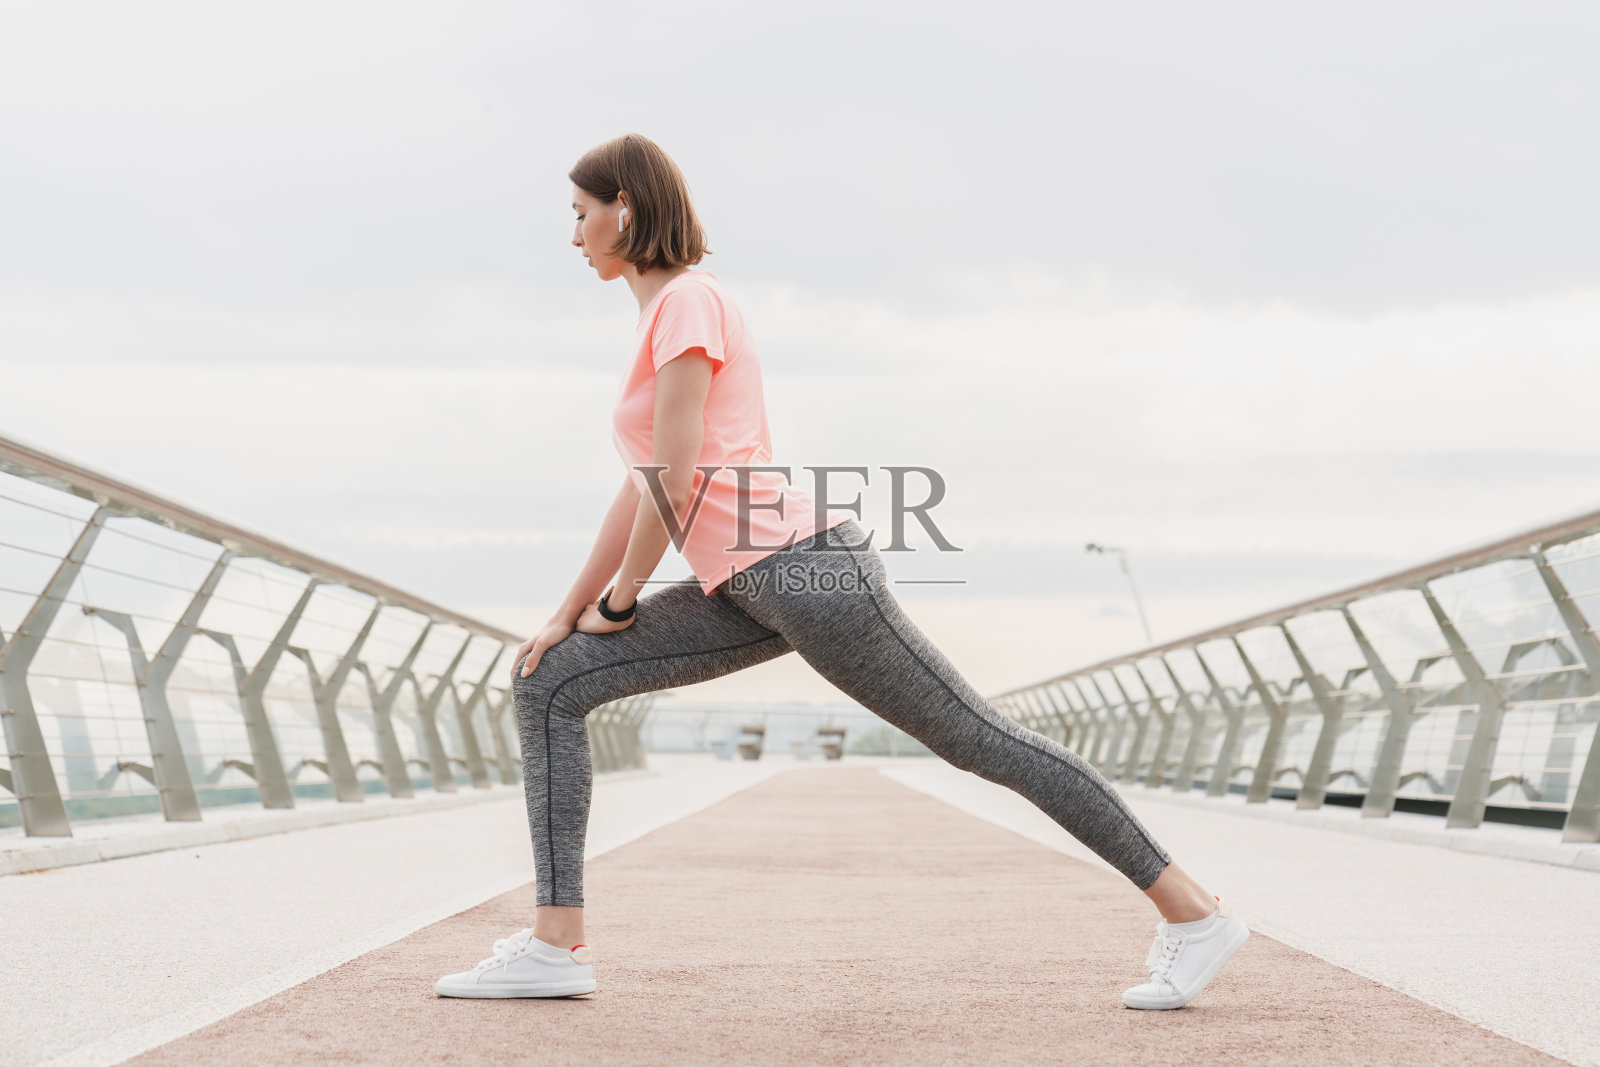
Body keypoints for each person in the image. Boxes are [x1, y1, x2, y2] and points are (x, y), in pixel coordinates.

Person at [435, 133, 1249, 1010]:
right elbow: (640, 488)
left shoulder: (689, 302)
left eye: (581, 214)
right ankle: (556, 944)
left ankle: (1195, 914)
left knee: (978, 739)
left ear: (624, 208)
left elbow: (675, 476)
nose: (574, 235)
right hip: (744, 584)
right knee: (551, 680)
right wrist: (572, 611)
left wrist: (623, 600)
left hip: (806, 573)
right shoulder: (659, 317)